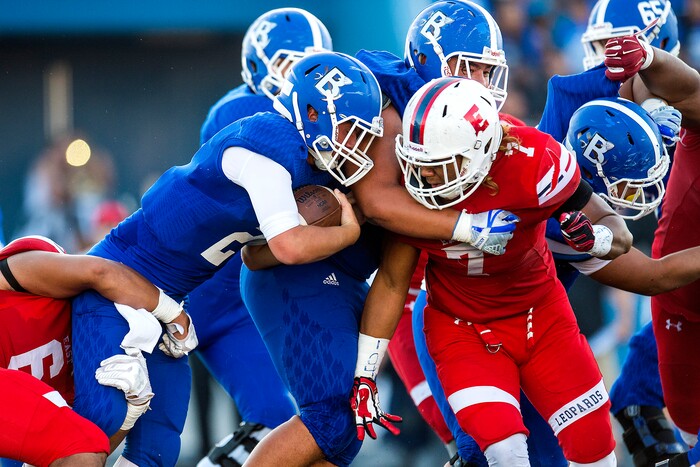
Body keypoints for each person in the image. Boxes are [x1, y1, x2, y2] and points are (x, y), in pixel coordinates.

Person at [68, 50, 383, 467]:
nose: (354, 142)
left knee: (158, 443)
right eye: (348, 128)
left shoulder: (302, 162)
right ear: (310, 112)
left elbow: (255, 255)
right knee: (100, 422)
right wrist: (347, 232)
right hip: (121, 283)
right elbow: (288, 246)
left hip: (170, 300)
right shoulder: (267, 147)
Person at [353, 77, 625, 466]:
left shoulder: (536, 162)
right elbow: (394, 281)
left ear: (479, 151)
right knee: (502, 451)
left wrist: (595, 239)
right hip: (462, 329)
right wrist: (366, 373)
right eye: (418, 162)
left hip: (541, 318)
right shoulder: (410, 190)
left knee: (594, 448)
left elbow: (619, 232)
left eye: (438, 166)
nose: (423, 176)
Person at [193, 8, 332, 465]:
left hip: (247, 294)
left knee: (281, 421)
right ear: (260, 69)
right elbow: (284, 225)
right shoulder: (238, 114)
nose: (304, 78)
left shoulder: (314, 110)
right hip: (203, 290)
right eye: (292, 65)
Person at [0, 235, 190, 465]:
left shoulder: (14, 276)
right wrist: (175, 315)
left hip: (113, 325)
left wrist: (174, 315)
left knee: (156, 447)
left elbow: (86, 452)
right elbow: (83, 453)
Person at [603, 17, 700, 466]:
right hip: (677, 301)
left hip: (673, 289)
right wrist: (649, 58)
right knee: (635, 404)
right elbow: (680, 89)